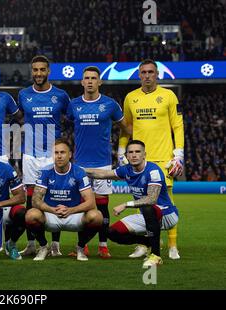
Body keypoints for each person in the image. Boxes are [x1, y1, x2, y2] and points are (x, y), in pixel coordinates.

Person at [118, 59, 184, 260]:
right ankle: (143, 245)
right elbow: (126, 128)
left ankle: (172, 245)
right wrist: (121, 150)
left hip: (163, 158)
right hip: (138, 161)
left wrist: (178, 153)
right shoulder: (131, 98)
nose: (147, 76)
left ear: (157, 74)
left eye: (151, 72)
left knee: (167, 202)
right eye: (144, 72)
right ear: (139, 75)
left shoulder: (168, 96)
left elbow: (177, 126)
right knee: (141, 201)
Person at [66, 66, 131, 258]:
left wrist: (123, 149)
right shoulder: (74, 105)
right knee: (83, 205)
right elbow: (70, 123)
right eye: (87, 78)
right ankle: (83, 246)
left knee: (102, 206)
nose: (90, 81)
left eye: (94, 78)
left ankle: (103, 245)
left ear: (99, 82)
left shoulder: (110, 105)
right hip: (79, 165)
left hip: (102, 164)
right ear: (82, 82)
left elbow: (125, 128)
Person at [85, 140, 179, 268]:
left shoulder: (153, 171)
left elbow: (151, 199)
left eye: (137, 152)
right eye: (131, 152)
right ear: (127, 156)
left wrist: (125, 204)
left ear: (144, 154)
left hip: (167, 214)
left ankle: (156, 256)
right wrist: (78, 170)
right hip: (147, 215)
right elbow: (103, 174)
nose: (134, 155)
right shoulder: (127, 170)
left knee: (147, 207)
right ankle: (148, 242)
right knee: (111, 232)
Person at [18, 55, 70, 257]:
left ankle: (55, 244)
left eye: (42, 70)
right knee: (31, 200)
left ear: (48, 71)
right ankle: (33, 243)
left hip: (52, 154)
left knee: (54, 195)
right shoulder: (23, 94)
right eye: (35, 70)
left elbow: (69, 116)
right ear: (32, 71)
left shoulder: (60, 95)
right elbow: (19, 115)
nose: (38, 73)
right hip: (30, 154)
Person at [25, 138, 103, 261]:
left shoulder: (79, 172)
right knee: (31, 215)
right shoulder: (45, 171)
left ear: (70, 154)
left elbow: (91, 202)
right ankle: (44, 246)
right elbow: (35, 200)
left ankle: (80, 247)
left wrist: (71, 210)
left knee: (97, 217)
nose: (59, 156)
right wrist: (52, 209)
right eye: (56, 153)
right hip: (51, 214)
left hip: (73, 214)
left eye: (62, 152)